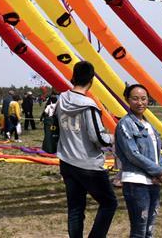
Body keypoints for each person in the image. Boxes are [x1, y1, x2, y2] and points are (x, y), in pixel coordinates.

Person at [57, 61, 116, 238]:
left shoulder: (62, 98)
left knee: (75, 208)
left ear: (73, 76)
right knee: (109, 203)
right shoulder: (88, 105)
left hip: (66, 161)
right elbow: (97, 138)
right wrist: (113, 138)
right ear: (91, 80)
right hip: (88, 164)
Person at [115, 84, 162, 238]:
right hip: (136, 183)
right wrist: (158, 171)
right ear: (127, 100)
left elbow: (159, 152)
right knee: (139, 231)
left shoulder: (149, 125)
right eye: (135, 99)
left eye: (143, 99)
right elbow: (132, 154)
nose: (140, 102)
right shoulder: (125, 124)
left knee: (149, 229)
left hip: (153, 182)